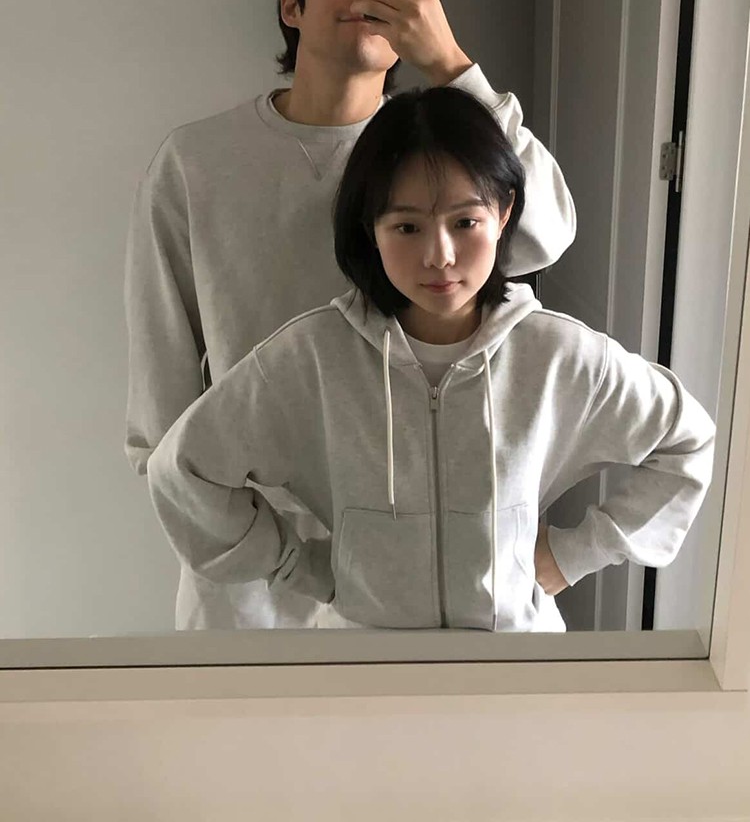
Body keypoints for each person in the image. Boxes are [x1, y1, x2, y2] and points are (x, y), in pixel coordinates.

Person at [125, 0, 576, 631]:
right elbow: (161, 388)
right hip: (250, 557)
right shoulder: (197, 162)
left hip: (422, 542)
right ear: (292, 6)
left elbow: (544, 234)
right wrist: (211, 515)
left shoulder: (436, 152)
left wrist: (451, 64)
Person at [146, 86, 715, 632]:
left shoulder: (557, 355)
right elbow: (183, 470)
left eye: (465, 222)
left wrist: (573, 555)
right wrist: (304, 568)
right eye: (407, 226)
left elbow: (687, 444)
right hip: (360, 664)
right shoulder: (310, 357)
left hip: (515, 666)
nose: (439, 255)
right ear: (371, 229)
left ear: (504, 212)